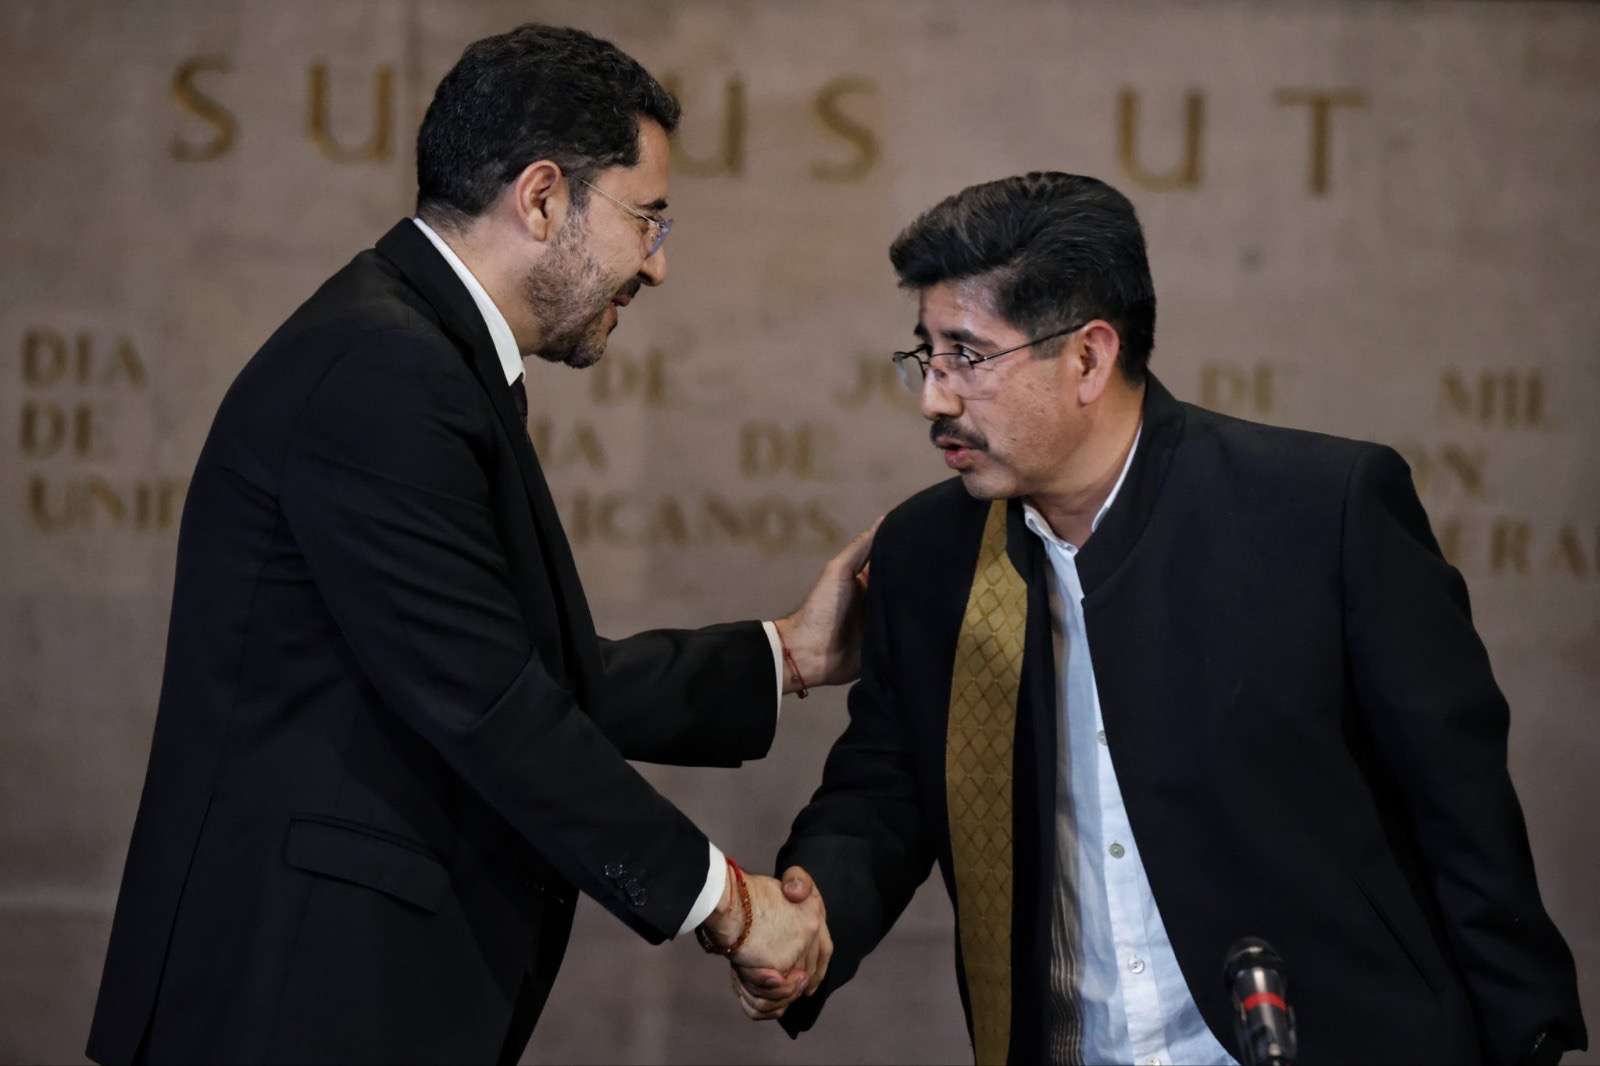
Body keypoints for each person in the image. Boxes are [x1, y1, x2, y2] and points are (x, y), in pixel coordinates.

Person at [86, 24, 850, 1065]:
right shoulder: (383, 368)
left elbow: (529, 670)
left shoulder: (413, 350)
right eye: (647, 220)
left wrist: (790, 654)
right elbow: (492, 701)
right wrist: (728, 904)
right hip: (290, 1003)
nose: (657, 265)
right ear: (542, 198)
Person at [737, 172, 1586, 1065]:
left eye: (968, 357)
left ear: (1089, 358)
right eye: (927, 355)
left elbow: (1461, 809)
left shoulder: (1319, 512)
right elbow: (886, 789)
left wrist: (1525, 1037)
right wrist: (812, 917)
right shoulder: (929, 553)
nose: (934, 398)